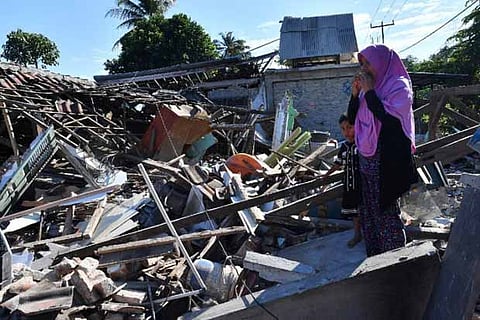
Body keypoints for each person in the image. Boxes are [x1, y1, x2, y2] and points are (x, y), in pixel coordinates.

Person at [347, 44, 418, 257]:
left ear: (381, 62)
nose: (365, 68)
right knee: (368, 208)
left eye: (368, 63)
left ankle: (393, 257)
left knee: (386, 207)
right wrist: (354, 94)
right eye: (362, 64)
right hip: (367, 155)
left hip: (388, 157)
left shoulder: (399, 86)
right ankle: (376, 254)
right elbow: (352, 119)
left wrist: (369, 92)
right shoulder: (370, 89)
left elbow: (389, 120)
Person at [323, 113, 362, 248]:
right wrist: (326, 175)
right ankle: (357, 234)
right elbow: (338, 163)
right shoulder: (344, 147)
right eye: (343, 128)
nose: (347, 132)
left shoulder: (363, 144)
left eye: (350, 127)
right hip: (349, 185)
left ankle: (370, 234)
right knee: (354, 212)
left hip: (362, 185)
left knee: (364, 209)